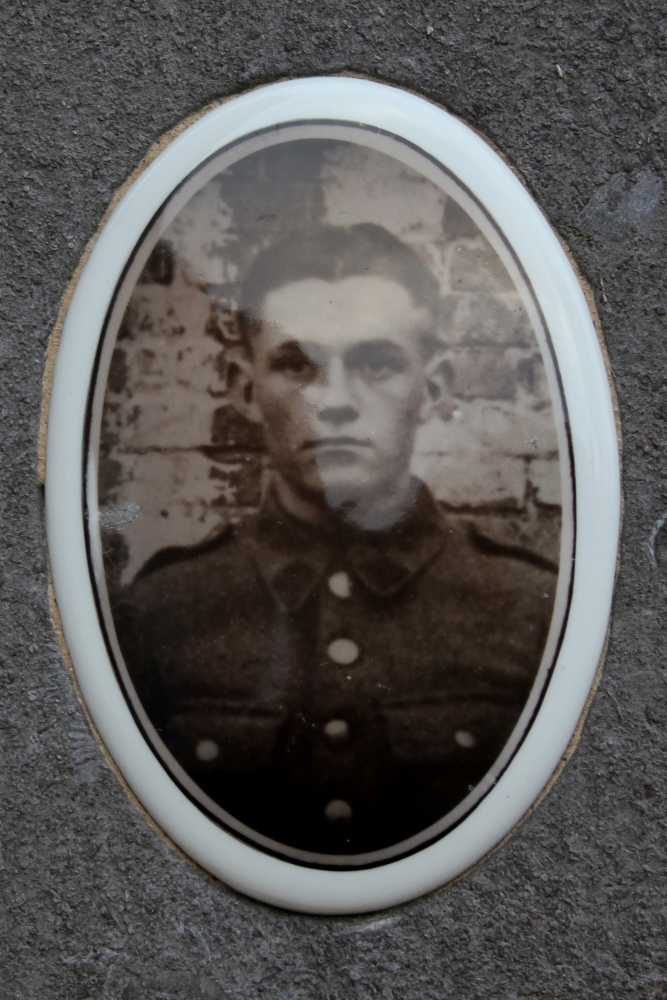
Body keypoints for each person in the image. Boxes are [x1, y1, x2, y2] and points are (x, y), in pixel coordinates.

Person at [112, 224, 557, 862]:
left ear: (432, 387)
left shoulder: (525, 609)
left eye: (377, 363)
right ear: (245, 388)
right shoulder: (161, 615)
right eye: (299, 363)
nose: (337, 400)